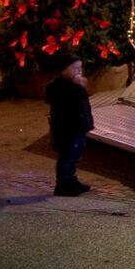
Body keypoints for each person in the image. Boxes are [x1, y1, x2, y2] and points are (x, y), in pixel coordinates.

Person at [45, 54, 95, 196]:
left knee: (75, 154)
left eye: (80, 68)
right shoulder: (58, 87)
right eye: (75, 68)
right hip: (67, 129)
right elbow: (66, 103)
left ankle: (72, 180)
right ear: (63, 70)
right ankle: (63, 183)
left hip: (78, 126)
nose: (78, 72)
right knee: (67, 156)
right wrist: (78, 87)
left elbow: (83, 103)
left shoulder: (75, 85)